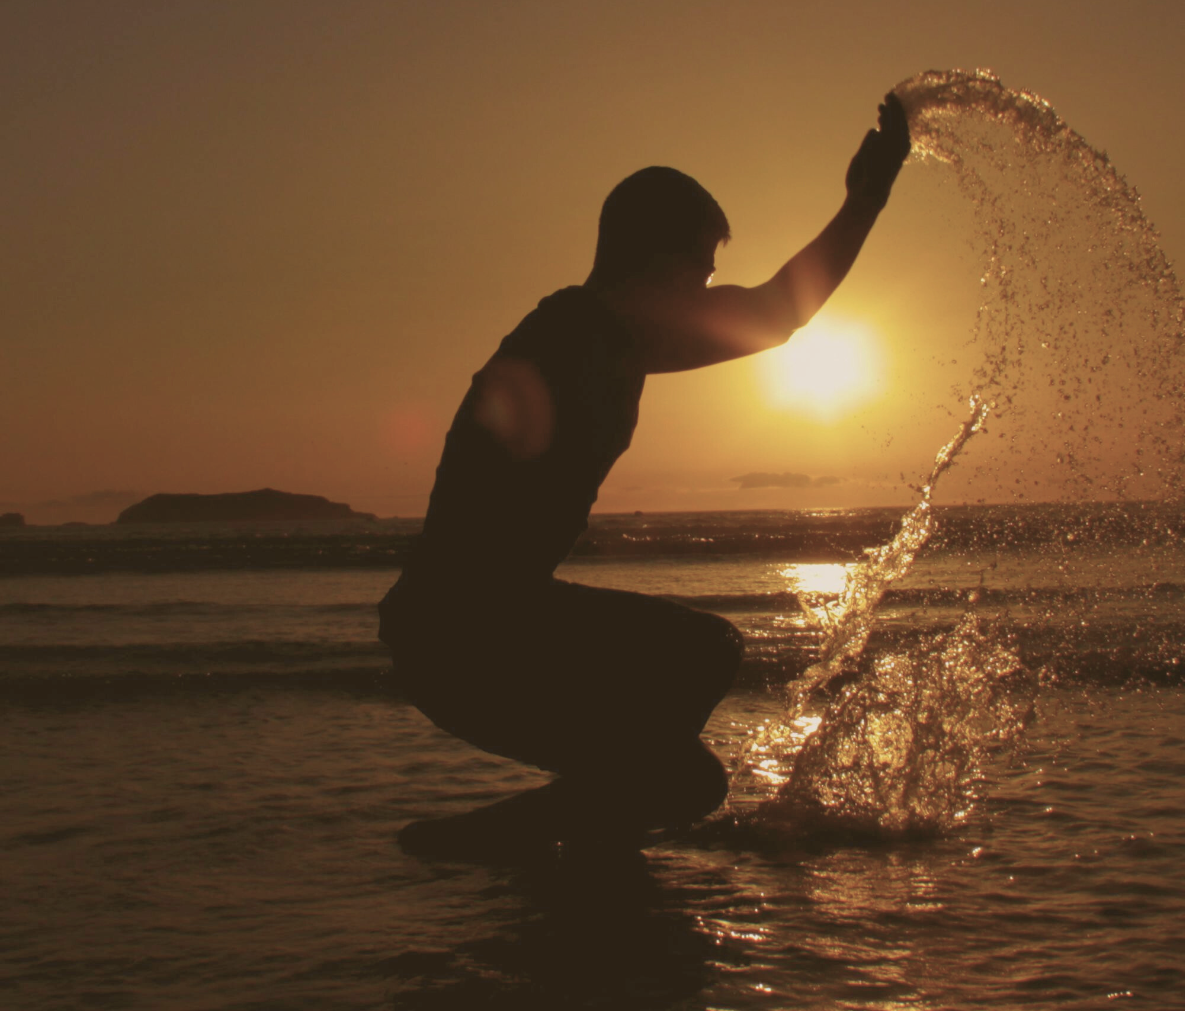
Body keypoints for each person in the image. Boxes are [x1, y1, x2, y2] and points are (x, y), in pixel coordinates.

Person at [383, 90, 912, 858]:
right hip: (462, 634)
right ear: (656, 257)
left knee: (681, 780)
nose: (705, 289)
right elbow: (775, 313)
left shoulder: (608, 337)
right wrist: (867, 200)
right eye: (700, 270)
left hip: (467, 628)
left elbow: (772, 316)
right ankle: (489, 845)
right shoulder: (582, 330)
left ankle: (545, 849)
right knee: (701, 665)